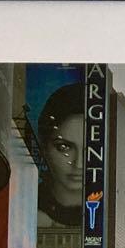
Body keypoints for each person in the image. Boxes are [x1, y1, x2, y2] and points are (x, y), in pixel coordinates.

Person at [36, 81, 86, 227]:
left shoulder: (109, 214)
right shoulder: (24, 202)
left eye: (89, 151)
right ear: (44, 147)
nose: (78, 164)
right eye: (64, 147)